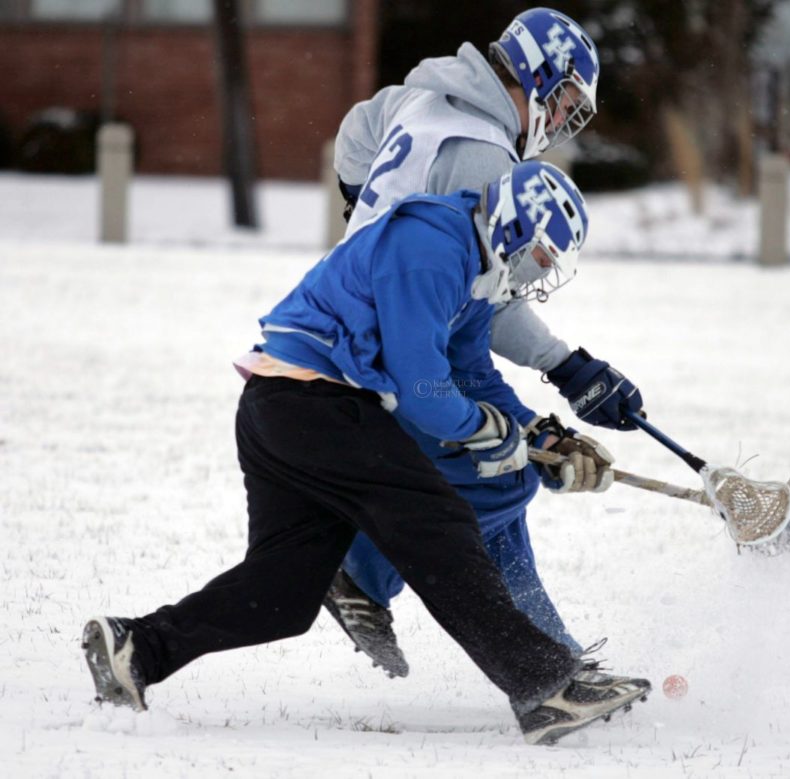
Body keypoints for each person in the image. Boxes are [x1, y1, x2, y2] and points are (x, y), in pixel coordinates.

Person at [82, 161, 651, 746]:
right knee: (440, 521)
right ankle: (546, 687)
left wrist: (539, 437)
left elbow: (469, 374)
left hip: (282, 407)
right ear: (512, 225)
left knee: (283, 594)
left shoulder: (474, 266)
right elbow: (420, 386)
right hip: (313, 401)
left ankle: (138, 649)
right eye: (542, 253)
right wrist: (492, 433)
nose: (543, 269)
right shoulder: (434, 244)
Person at [325, 7, 644, 677]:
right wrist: (566, 366)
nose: (559, 121)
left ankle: (549, 651)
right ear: (532, 74)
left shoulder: (428, 93)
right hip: (388, 346)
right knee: (497, 476)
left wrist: (361, 208)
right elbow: (488, 294)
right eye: (560, 101)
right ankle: (362, 570)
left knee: (506, 470)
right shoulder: (484, 155)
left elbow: (356, 131)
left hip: (387, 324)